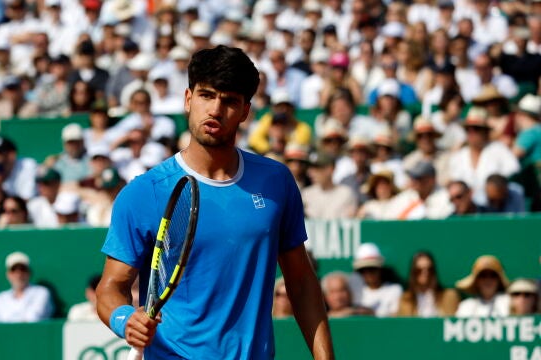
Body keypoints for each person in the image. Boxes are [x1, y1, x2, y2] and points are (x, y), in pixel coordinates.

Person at [96, 45, 334, 359]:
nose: (216, 110)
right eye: (206, 95)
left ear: (246, 112)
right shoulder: (143, 192)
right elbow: (110, 287)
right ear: (188, 99)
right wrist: (125, 319)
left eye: (230, 101)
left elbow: (301, 282)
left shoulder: (277, 182)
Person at [0, 251, 54, 323]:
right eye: (14, 270)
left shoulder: (41, 293)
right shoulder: (0, 298)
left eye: (22, 270)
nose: (18, 275)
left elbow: (33, 319)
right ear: (8, 275)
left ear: (29, 272)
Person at [397, 251, 460, 317]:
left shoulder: (449, 296)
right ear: (413, 272)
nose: (425, 273)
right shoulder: (405, 299)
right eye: (419, 270)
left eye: (429, 269)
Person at [350, 243, 403, 317]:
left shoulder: (394, 290)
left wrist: (372, 313)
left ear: (380, 269)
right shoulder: (354, 290)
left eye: (372, 268)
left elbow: (395, 318)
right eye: (363, 270)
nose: (368, 273)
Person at [302, 152, 358, 220]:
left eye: (317, 168)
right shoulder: (306, 194)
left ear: (331, 169)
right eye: (310, 168)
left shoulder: (346, 193)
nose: (310, 173)